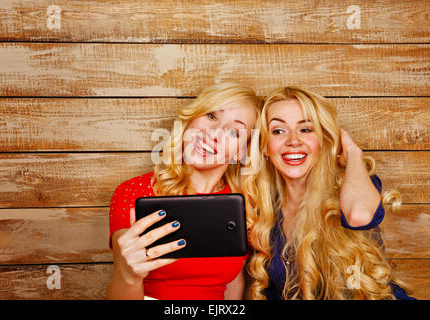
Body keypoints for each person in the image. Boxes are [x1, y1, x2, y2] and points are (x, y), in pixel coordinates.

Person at [247, 86, 415, 300]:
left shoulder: (351, 187)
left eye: (306, 129)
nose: (293, 141)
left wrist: (353, 153)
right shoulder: (264, 213)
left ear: (325, 138)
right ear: (264, 146)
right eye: (278, 131)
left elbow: (359, 215)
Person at [106, 82, 262, 300]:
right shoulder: (134, 191)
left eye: (234, 132)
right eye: (211, 116)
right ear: (190, 120)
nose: (214, 133)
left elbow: (232, 286)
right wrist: (129, 276)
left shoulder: (242, 207)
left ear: (242, 152)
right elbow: (119, 290)